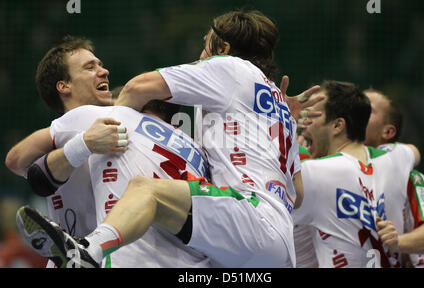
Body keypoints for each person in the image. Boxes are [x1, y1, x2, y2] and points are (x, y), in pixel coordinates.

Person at [16, 10, 319, 268]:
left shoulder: (229, 68)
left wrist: (123, 120)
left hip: (248, 215)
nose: (201, 56)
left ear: (223, 48)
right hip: (276, 247)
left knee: (146, 191)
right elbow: (299, 194)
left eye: (205, 46)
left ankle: (87, 251)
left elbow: (137, 87)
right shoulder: (272, 108)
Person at [17, 98, 212, 268]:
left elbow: (19, 162)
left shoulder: (112, 115)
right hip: (192, 261)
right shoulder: (198, 151)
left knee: (142, 190)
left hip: (131, 256)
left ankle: (86, 250)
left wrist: (83, 145)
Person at [5, 36, 122, 268]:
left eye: (100, 64)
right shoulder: (71, 124)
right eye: (90, 67)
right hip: (95, 258)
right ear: (64, 86)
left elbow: (15, 162)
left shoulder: (112, 115)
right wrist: (84, 143)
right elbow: (14, 160)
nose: (104, 71)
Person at [292, 80, 421, 267]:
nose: (304, 125)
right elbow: (414, 152)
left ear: (338, 125)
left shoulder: (314, 172)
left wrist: (285, 134)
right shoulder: (396, 159)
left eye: (313, 116)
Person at [363, 88, 424, 267]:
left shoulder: (411, 177)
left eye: (368, 109)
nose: (357, 110)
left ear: (388, 132)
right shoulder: (335, 167)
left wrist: (397, 241)